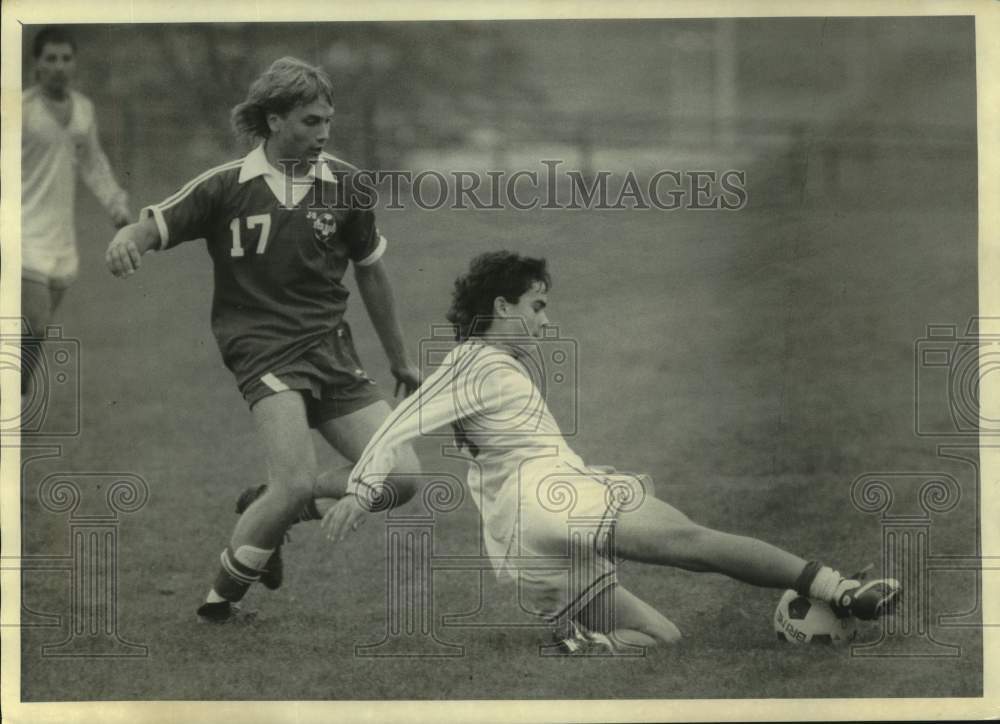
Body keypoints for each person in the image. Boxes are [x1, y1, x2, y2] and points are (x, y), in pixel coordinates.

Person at [322, 250, 901, 650]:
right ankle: (840, 590)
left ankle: (578, 643)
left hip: (527, 545)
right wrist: (361, 488)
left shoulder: (488, 365)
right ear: (502, 307)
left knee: (662, 639)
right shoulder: (475, 359)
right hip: (550, 504)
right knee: (694, 543)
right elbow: (399, 423)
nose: (546, 319)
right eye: (537, 306)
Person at [105, 57, 421, 623]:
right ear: (274, 121)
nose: (323, 133)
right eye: (308, 121)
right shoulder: (227, 186)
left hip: (331, 349)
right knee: (296, 479)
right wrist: (126, 239)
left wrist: (400, 359)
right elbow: (153, 225)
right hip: (262, 348)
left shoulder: (347, 185)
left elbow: (372, 270)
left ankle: (271, 504)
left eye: (327, 120)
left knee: (400, 477)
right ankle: (219, 604)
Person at [22, 26, 131, 398]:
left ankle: (15, 390)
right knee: (34, 321)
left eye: (65, 58)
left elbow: (93, 163)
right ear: (36, 64)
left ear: (75, 63)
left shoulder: (84, 109)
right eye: (50, 58)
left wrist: (115, 204)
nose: (59, 66)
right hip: (21, 229)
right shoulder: (20, 109)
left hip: (61, 235)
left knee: (37, 327)